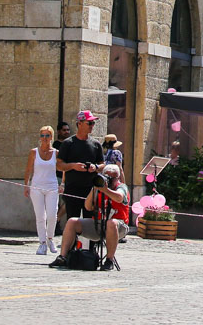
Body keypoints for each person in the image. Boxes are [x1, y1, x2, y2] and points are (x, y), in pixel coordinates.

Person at [49, 163, 129, 271]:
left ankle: (109, 260)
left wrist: (106, 190)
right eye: (107, 177)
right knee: (72, 221)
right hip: (98, 224)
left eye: (112, 178)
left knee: (111, 223)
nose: (109, 180)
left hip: (119, 227)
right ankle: (63, 257)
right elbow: (87, 206)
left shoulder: (121, 187)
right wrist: (95, 189)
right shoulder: (99, 187)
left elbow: (119, 198)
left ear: (117, 178)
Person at [55, 110, 105, 240]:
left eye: (93, 123)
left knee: (91, 223)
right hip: (73, 188)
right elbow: (59, 165)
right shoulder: (68, 143)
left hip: (90, 190)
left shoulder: (96, 144)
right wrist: (73, 166)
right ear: (80, 123)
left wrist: (95, 168)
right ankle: (70, 251)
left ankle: (90, 251)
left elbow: (103, 164)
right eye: (89, 123)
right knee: (72, 221)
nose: (92, 125)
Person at [24, 125, 60, 255]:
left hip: (52, 187)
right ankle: (42, 243)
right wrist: (26, 185)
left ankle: (50, 238)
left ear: (51, 137)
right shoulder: (34, 152)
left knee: (52, 215)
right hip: (37, 187)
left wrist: (63, 185)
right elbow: (28, 170)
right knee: (40, 216)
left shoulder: (56, 153)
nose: (44, 138)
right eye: (42, 135)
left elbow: (63, 168)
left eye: (47, 136)